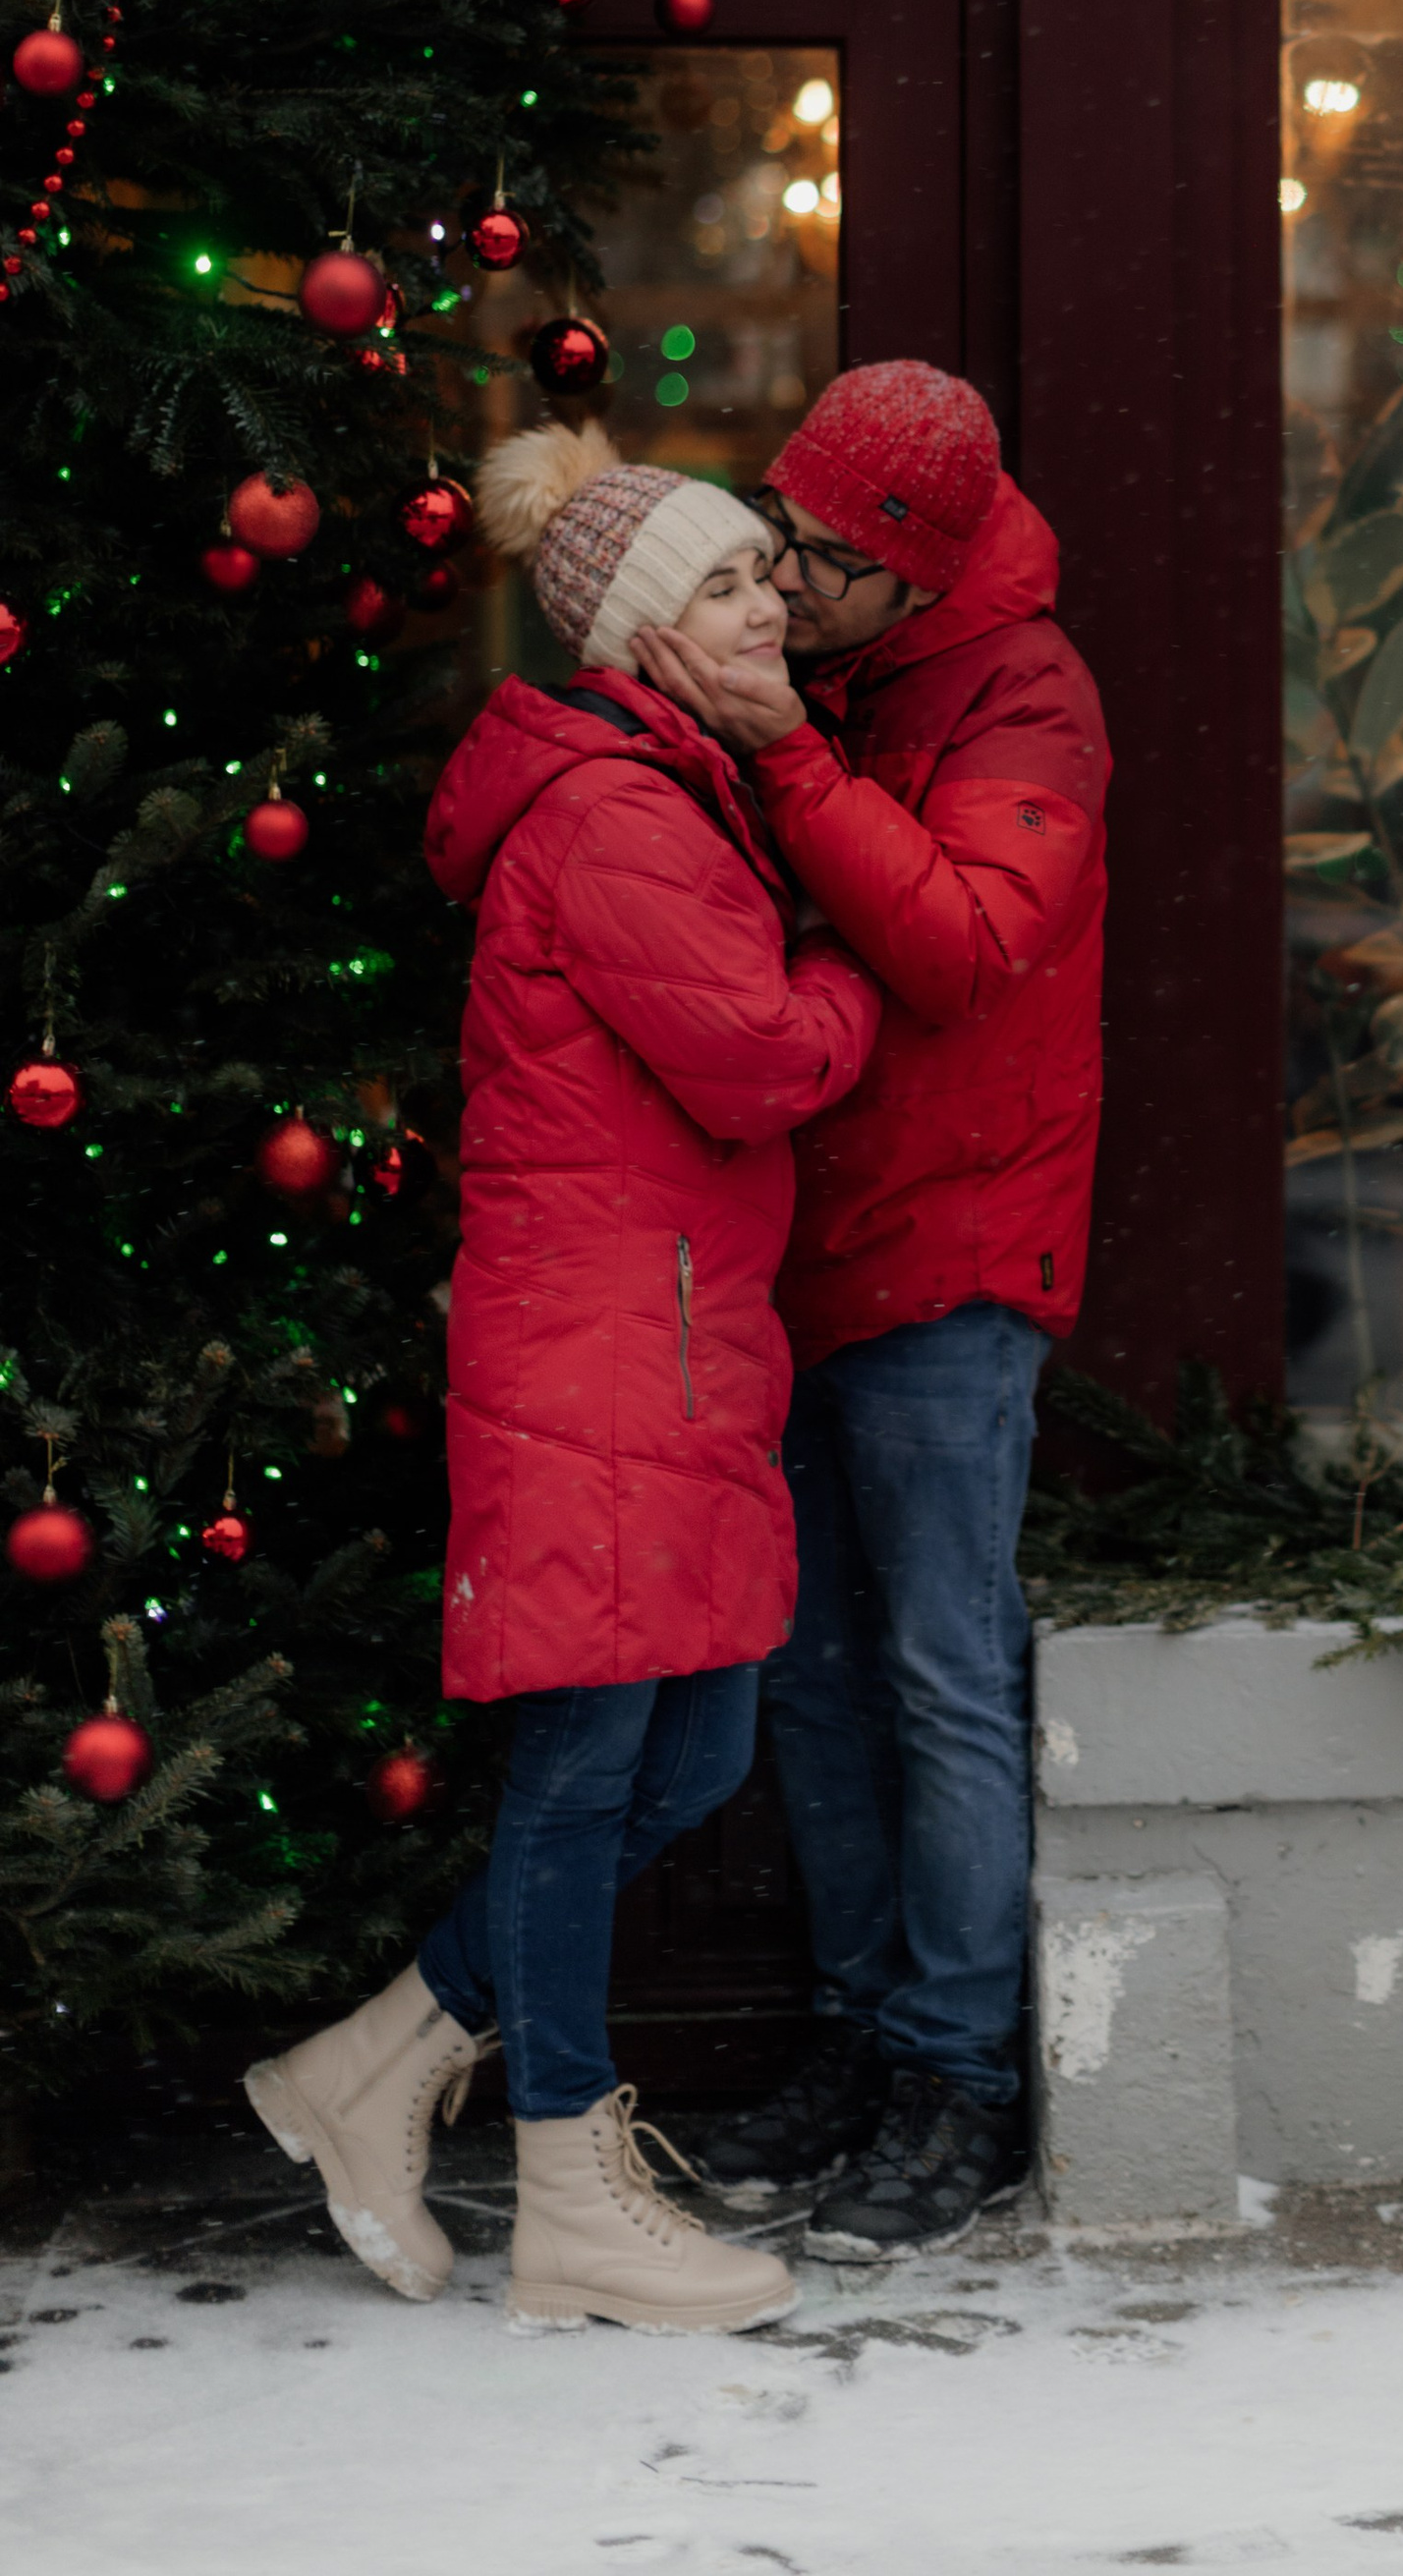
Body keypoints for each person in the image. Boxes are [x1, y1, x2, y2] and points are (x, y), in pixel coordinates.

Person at [247, 423, 880, 2335]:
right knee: (599, 1760)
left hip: (657, 1332)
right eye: (721, 581)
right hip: (608, 1339)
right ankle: (566, 2188)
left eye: (765, 572)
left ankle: (371, 2062)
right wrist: (862, 962)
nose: (767, 597)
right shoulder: (617, 813)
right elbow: (763, 1059)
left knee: (683, 1750)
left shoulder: (666, 787)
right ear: (632, 636)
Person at [633, 362, 1109, 2261]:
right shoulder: (825, 667)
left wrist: (787, 754)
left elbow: (969, 942)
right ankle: (852, 2035)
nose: (789, 580)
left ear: (915, 571)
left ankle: (956, 2079)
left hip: (958, 1250)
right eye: (780, 534)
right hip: (800, 1241)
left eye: (827, 559)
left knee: (937, 1674)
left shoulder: (1029, 697)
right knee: (811, 1681)